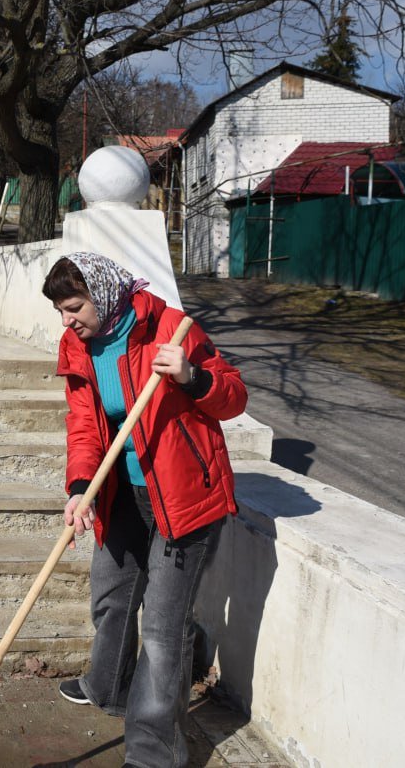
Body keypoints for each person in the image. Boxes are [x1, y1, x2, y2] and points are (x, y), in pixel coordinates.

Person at [45, 251, 247, 768]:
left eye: (74, 308)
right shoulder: (78, 344)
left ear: (104, 294)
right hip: (125, 492)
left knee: (162, 629)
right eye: (61, 312)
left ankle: (156, 753)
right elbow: (85, 424)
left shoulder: (172, 328)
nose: (67, 322)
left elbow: (233, 397)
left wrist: (191, 378)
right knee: (111, 596)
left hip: (184, 496)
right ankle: (109, 687)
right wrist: (80, 487)